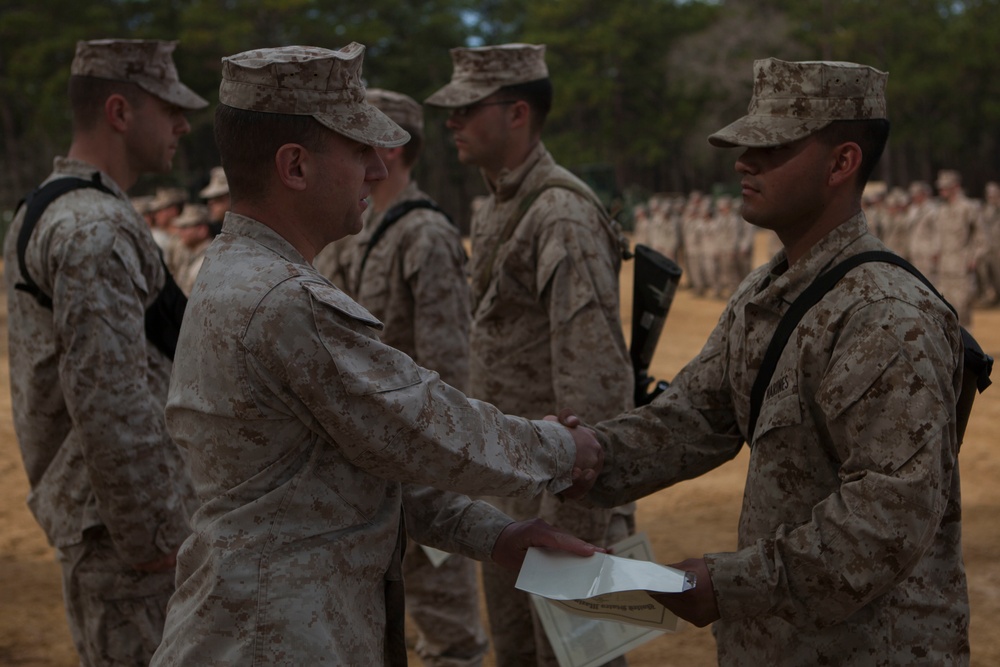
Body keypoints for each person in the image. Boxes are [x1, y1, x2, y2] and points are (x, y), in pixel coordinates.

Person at [149, 43, 607, 667]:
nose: (375, 169)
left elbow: (357, 463)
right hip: (278, 637)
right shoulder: (284, 300)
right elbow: (421, 421)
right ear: (295, 166)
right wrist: (560, 450)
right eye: (359, 150)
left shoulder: (241, 273)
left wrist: (496, 534)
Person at [576, 58, 969, 665]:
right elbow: (694, 418)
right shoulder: (766, 290)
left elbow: (883, 526)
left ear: (842, 163)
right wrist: (584, 456)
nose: (743, 162)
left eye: (773, 146)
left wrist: (726, 584)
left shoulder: (887, 318)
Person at [425, 43, 635, 667]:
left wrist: (578, 527)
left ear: (517, 113)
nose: (451, 121)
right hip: (514, 495)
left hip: (564, 501)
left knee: (579, 660)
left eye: (467, 107)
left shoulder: (560, 213)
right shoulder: (499, 206)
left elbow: (596, 381)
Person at [2, 38, 207, 666]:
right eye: (168, 107)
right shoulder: (93, 227)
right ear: (120, 111)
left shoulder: (68, 206)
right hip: (129, 542)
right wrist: (155, 535)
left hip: (111, 524)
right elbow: (109, 398)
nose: (183, 123)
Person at [314, 87, 489, 667]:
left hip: (421, 466)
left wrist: (442, 476)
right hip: (362, 468)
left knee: (446, 629)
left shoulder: (425, 235)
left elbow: (449, 373)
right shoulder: (348, 233)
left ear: (388, 145)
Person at [935, 169, 986, 326]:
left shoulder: (968, 208)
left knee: (962, 312)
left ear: (956, 187)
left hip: (962, 269)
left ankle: (967, 349)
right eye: (941, 187)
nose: (942, 191)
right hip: (944, 269)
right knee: (944, 310)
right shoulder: (942, 210)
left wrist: (974, 259)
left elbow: (983, 238)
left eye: (946, 187)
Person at [168, 203, 215, 296]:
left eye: (185, 227)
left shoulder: (210, 258)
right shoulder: (190, 254)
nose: (179, 232)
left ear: (202, 230)